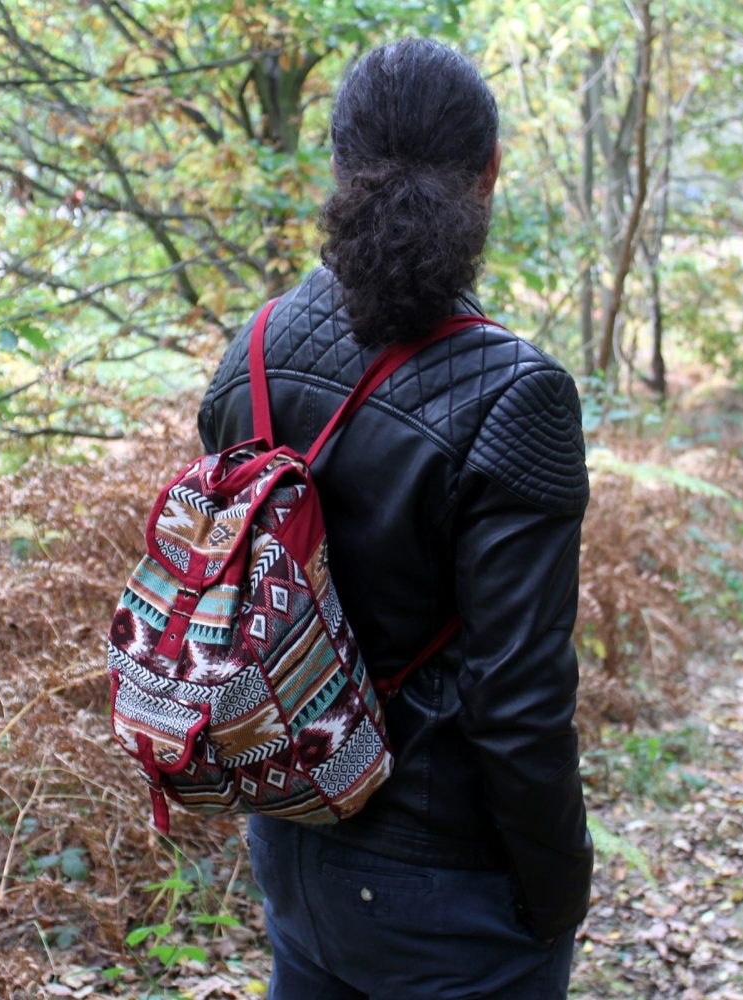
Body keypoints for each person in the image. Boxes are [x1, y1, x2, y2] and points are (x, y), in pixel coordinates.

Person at [198, 38, 592, 1000]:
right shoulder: (518, 396)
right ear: (489, 175)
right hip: (446, 888)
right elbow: (520, 704)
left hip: (291, 834)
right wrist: (557, 894)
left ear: (338, 165)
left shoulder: (250, 350)